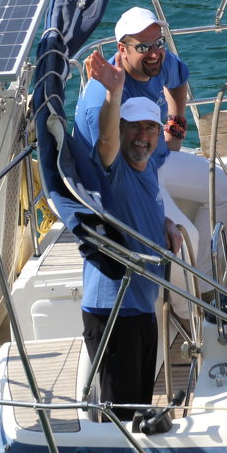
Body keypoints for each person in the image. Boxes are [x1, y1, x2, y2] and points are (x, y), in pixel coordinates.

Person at [78, 7, 227, 285]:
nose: (154, 53)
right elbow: (109, 174)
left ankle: (202, 286)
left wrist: (175, 125)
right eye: (143, 47)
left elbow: (178, 79)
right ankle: (186, 311)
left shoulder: (157, 62)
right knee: (186, 237)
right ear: (122, 49)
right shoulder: (100, 102)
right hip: (127, 180)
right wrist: (158, 216)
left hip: (157, 159)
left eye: (158, 43)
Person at [78, 69, 179, 420]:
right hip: (113, 310)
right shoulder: (114, 166)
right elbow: (105, 143)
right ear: (121, 130)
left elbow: (143, 205)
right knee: (119, 419)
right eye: (134, 127)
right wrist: (114, 94)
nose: (143, 136)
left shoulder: (147, 166)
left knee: (140, 410)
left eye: (151, 128)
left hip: (140, 305)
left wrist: (165, 223)